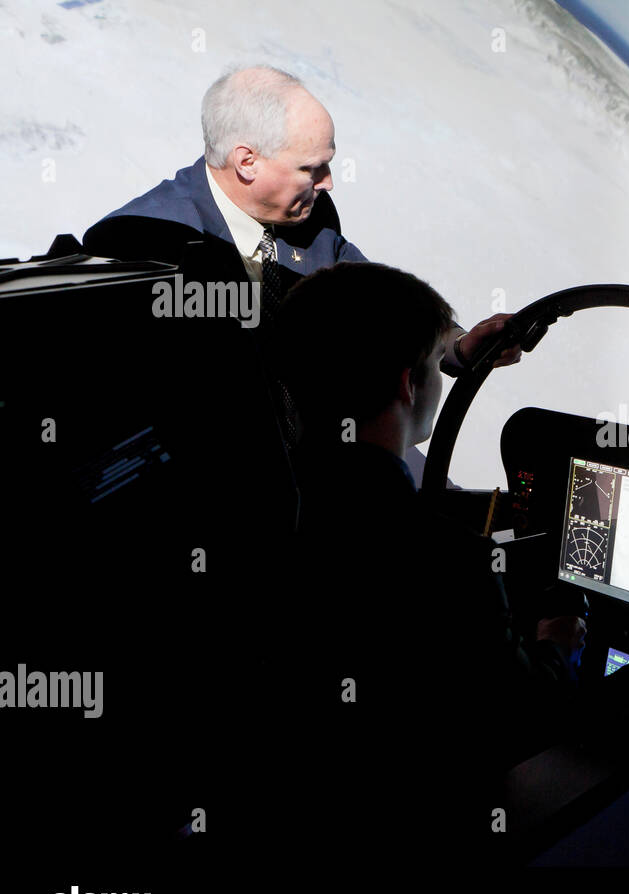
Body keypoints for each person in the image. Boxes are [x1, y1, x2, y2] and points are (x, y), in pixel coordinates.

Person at [268, 260, 586, 779]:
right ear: (407, 386)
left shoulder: (264, 508)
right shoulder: (448, 563)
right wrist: (556, 644)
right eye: (439, 363)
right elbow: (524, 720)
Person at [80, 63, 519, 373]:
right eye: (311, 168)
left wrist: (457, 346)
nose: (328, 182)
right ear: (247, 161)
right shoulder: (137, 243)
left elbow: (376, 299)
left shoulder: (311, 213)